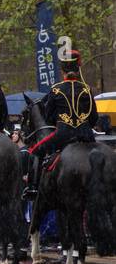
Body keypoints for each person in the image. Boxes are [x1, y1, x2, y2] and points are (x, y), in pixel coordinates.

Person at [24, 49, 95, 200]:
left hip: (63, 136)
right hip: (87, 136)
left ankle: (33, 188)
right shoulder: (87, 89)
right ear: (78, 67)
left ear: (62, 69)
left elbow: (49, 117)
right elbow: (93, 117)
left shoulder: (56, 90)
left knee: (35, 151)